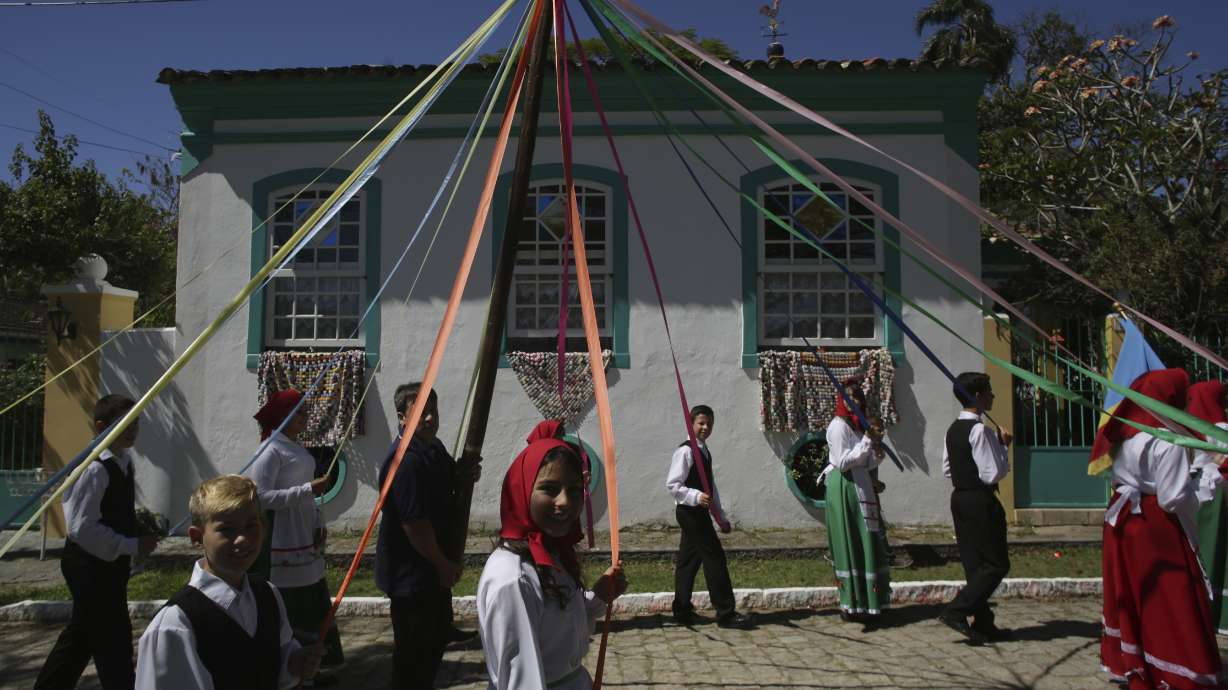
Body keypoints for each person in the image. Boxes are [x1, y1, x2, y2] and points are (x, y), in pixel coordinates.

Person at [477, 420, 627, 690]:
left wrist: (597, 598)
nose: (565, 502)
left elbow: (560, 634)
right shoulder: (514, 577)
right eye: (549, 489)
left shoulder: (547, 554)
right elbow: (521, 680)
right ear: (521, 491)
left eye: (573, 490)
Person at [135, 475, 324, 689]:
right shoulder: (175, 625)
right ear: (197, 537)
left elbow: (277, 664)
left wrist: (295, 664)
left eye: (251, 525)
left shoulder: (267, 594)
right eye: (226, 529)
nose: (242, 538)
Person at [1099, 369, 1223, 688]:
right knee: (1174, 597)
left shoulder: (1129, 433)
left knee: (1138, 593)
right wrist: (1208, 484)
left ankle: (1136, 661)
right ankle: (1179, 667)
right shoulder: (1168, 440)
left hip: (1126, 522)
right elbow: (1171, 498)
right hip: (1158, 528)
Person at [35, 394, 159, 690]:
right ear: (102, 425)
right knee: (112, 638)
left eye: (136, 423)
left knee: (81, 637)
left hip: (107, 565)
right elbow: (80, 527)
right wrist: (130, 545)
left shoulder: (124, 462)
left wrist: (136, 536)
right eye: (125, 423)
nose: (132, 430)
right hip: (87, 566)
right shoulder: (94, 468)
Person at [375, 383, 479, 689]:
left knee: (432, 650)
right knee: (414, 661)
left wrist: (465, 474)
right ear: (402, 417)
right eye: (421, 413)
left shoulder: (431, 447)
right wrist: (442, 564)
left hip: (429, 574)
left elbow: (450, 479)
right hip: (411, 577)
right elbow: (415, 525)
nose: (430, 418)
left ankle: (442, 628)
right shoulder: (405, 461)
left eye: (433, 411)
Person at [245, 389, 343, 682]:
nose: (305, 417)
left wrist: (317, 521)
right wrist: (307, 490)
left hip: (303, 533)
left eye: (304, 411)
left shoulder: (296, 448)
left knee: (312, 600)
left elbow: (306, 494)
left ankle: (311, 669)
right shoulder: (269, 451)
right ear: (282, 415)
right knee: (291, 605)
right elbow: (259, 498)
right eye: (299, 412)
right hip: (282, 540)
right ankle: (291, 671)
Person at [937, 372, 1012, 645]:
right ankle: (957, 610)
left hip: (960, 498)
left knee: (975, 563)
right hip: (980, 500)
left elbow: (947, 469)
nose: (993, 395)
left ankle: (983, 622)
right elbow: (992, 473)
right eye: (989, 391)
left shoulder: (953, 429)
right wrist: (1004, 448)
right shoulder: (979, 430)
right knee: (996, 563)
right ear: (978, 396)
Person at [665, 404, 752, 628]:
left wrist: (720, 516)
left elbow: (710, 486)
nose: (705, 427)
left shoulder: (703, 450)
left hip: (700, 513)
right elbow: (674, 485)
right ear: (691, 424)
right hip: (689, 512)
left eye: (709, 424)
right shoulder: (685, 451)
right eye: (701, 423)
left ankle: (682, 610)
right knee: (714, 559)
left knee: (688, 561)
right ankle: (725, 612)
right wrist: (694, 496)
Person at [821, 381, 891, 622]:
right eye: (850, 397)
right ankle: (852, 602)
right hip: (845, 487)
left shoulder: (858, 425)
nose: (856, 401)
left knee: (867, 539)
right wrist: (866, 443)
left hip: (860, 484)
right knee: (852, 540)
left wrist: (875, 449)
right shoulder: (838, 426)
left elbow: (865, 461)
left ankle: (870, 601)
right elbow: (843, 462)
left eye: (858, 396)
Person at [1190, 381, 1228, 634]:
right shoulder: (1224, 427)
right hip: (1220, 493)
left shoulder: (1190, 426)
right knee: (1219, 550)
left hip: (1197, 494)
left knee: (1202, 549)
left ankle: (1200, 608)